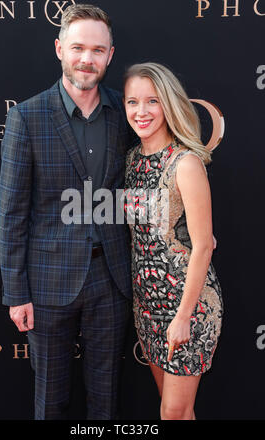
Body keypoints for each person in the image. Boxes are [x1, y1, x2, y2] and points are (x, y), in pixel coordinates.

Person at [0, 4, 136, 420]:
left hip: (111, 280)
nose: (86, 59)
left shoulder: (126, 113)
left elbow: (151, 180)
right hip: (46, 284)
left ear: (110, 56)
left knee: (105, 398)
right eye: (78, 48)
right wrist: (16, 292)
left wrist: (190, 228)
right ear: (60, 49)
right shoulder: (27, 116)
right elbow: (12, 213)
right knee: (51, 399)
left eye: (97, 50)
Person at [123, 62, 223, 420]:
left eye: (152, 101)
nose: (142, 111)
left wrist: (182, 316)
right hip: (148, 307)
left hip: (187, 307)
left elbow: (203, 245)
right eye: (132, 102)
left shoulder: (185, 163)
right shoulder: (133, 160)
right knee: (179, 411)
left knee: (173, 414)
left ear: (168, 104)